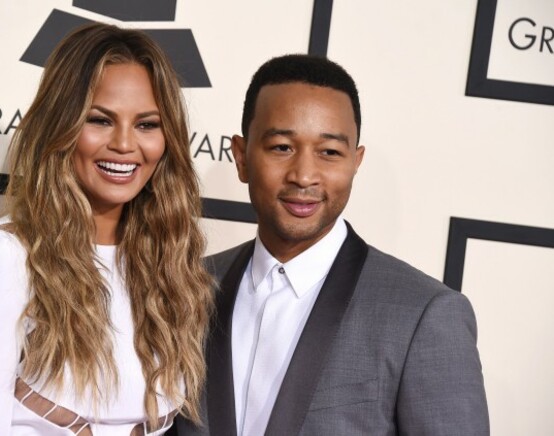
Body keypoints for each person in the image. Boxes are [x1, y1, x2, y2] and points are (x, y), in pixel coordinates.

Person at [174, 54, 489, 435]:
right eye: (281, 147)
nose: (304, 175)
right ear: (241, 157)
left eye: (329, 153)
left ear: (355, 162)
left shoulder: (422, 314)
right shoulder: (184, 286)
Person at [0, 23, 213, 435]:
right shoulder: (8, 256)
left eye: (147, 124)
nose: (125, 144)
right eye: (99, 120)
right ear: (61, 126)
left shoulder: (170, 261)